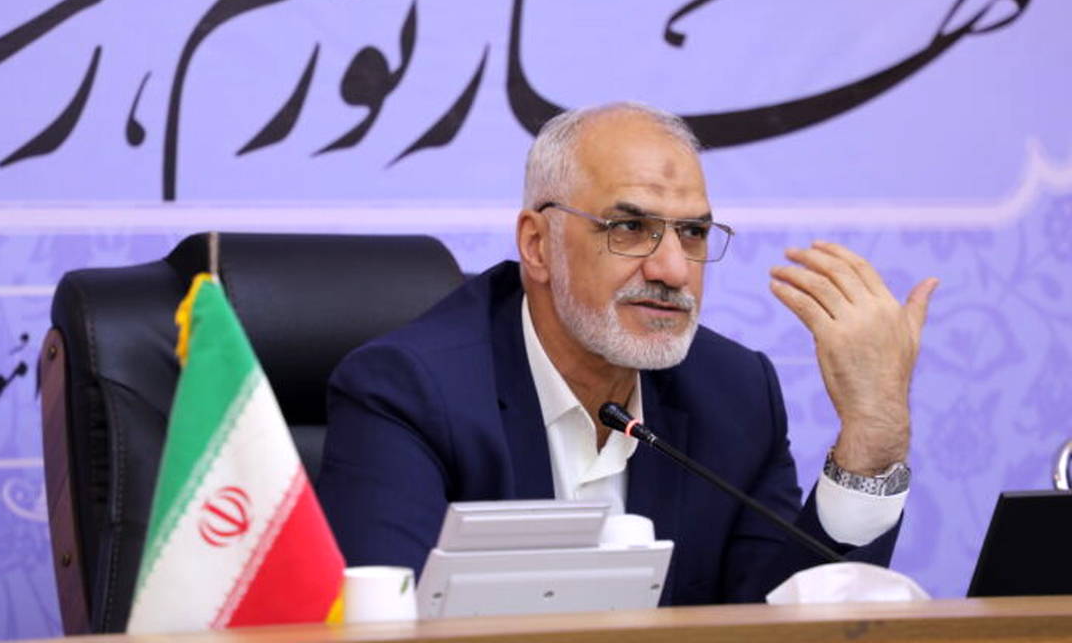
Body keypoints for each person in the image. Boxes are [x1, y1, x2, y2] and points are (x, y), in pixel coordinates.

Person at [316, 102, 937, 604]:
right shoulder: (409, 392)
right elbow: (386, 626)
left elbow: (781, 616)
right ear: (537, 245)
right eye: (630, 228)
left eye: (692, 232)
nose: (672, 269)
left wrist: (872, 442)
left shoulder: (735, 392)